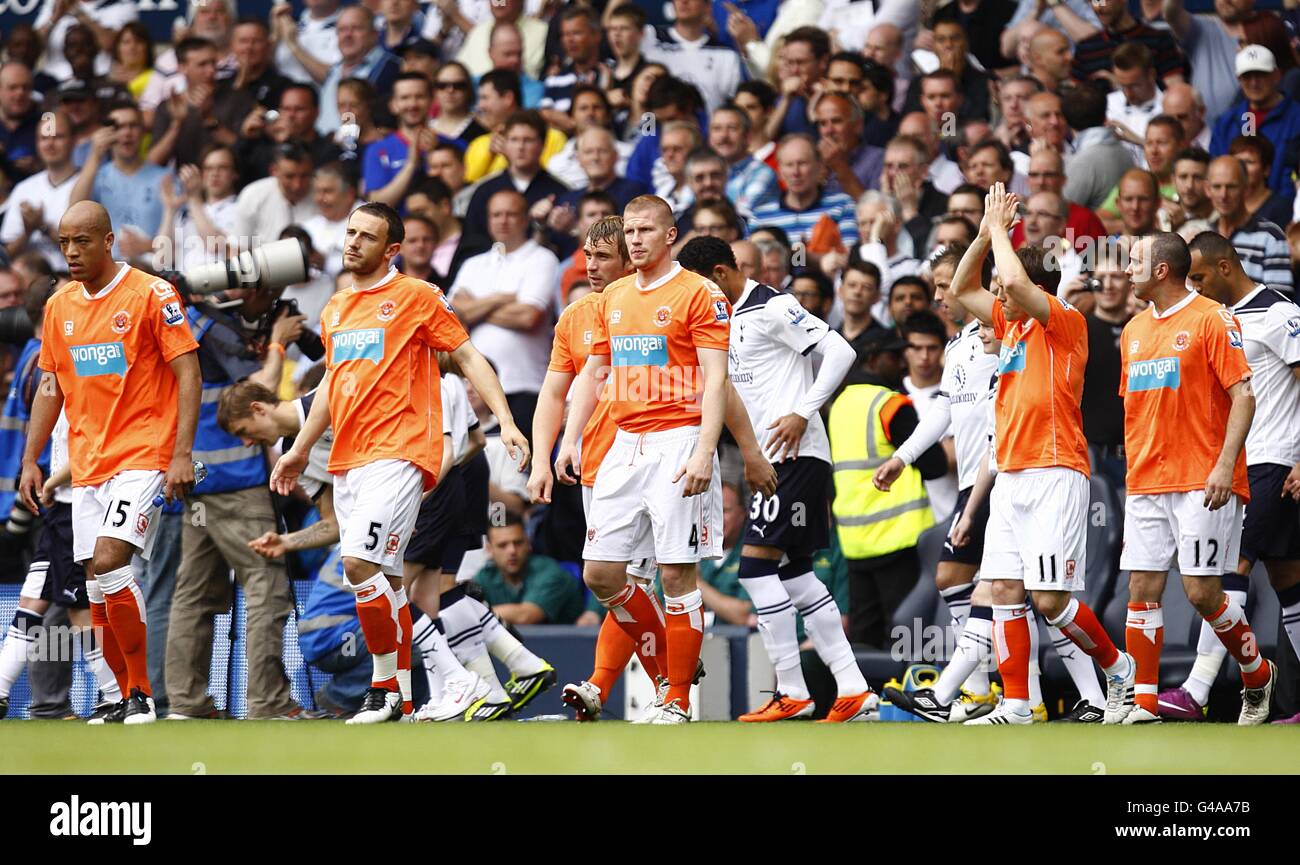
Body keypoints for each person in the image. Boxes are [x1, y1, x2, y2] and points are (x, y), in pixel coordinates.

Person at [270, 202, 528, 724]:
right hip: (350, 458)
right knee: (385, 581)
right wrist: (299, 449)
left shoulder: (417, 296)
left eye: (367, 236)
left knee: (358, 566)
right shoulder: (337, 308)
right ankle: (407, 695)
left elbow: (469, 356)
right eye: (350, 232)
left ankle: (413, 684)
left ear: (391, 250)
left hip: (403, 452)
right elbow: (330, 390)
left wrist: (507, 419)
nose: (353, 242)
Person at [948, 182, 1136, 725]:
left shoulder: (1064, 322)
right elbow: (964, 285)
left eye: (1007, 292)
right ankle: (1016, 705)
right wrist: (985, 234)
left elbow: (1009, 279)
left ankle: (1118, 668)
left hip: (1056, 470)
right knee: (1005, 589)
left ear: (1033, 287)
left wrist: (1004, 234)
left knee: (1050, 600)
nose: (997, 300)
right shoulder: (1010, 324)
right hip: (1010, 472)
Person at [679, 236, 880, 723]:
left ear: (723, 275)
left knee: (753, 569)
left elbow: (840, 352)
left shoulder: (773, 306)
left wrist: (802, 411)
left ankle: (793, 690)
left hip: (796, 453)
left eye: (701, 286)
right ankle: (853, 689)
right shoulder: (719, 322)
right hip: (770, 459)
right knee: (795, 573)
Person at [19, 201, 202, 725]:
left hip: (144, 453)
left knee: (108, 560)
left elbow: (188, 372)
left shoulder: (151, 293)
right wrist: (31, 459)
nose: (71, 252)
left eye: (82, 241)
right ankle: (123, 694)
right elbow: (51, 387)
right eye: (63, 243)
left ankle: (141, 693)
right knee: (97, 584)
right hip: (87, 462)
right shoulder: (59, 307)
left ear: (108, 241)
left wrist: (182, 454)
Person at [555, 195, 732, 725]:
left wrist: (705, 448)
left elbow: (717, 378)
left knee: (678, 575)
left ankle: (676, 698)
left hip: (679, 440)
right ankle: (671, 664)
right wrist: (571, 439)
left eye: (645, 231)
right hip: (623, 443)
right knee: (602, 573)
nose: (635, 240)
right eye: (629, 231)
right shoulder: (614, 297)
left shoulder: (700, 293)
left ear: (670, 235)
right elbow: (593, 373)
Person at [1112, 231, 1276, 725]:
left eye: (1135, 261)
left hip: (1202, 478)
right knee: (1141, 586)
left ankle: (1255, 672)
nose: (1126, 270)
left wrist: (1225, 465)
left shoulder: (1211, 318)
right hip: (1145, 480)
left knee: (1202, 592)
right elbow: (1136, 406)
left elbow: (1244, 396)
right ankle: (1142, 702)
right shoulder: (1132, 330)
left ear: (1162, 269)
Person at [1159, 232, 1300, 723]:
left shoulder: (1279, 314)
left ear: (1224, 267)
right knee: (1289, 581)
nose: (1191, 285)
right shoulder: (1211, 320)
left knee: (1227, 571)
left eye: (1196, 276)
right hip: (1234, 460)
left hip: (1272, 459)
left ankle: (1196, 691)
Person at [828, 328, 946, 649]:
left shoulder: (838, 405)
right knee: (909, 638)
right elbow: (934, 464)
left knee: (866, 638)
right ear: (873, 359)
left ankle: (868, 699)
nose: (902, 365)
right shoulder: (890, 404)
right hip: (899, 538)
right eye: (895, 357)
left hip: (855, 542)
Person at [448, 189, 557, 441]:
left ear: (525, 218)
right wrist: (499, 298)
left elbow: (527, 316)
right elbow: (453, 315)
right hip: (475, 388)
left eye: (511, 214)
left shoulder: (542, 258)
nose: (503, 220)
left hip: (525, 384)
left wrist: (474, 307)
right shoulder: (473, 264)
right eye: (496, 214)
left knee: (515, 470)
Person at [66, 102, 169, 263]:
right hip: (109, 274)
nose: (126, 133)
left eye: (133, 126)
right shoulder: (96, 176)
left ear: (143, 131)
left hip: (153, 272)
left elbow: (185, 237)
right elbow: (74, 210)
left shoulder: (165, 178)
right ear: (107, 133)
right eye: (119, 127)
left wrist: (148, 245)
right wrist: (94, 155)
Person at [1210, 45, 1300, 197]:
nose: (1254, 82)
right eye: (1247, 76)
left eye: (1261, 75)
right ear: (1239, 79)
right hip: (1234, 209)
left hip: (1284, 212)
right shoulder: (1226, 122)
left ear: (1276, 75)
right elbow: (1215, 170)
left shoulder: (1296, 118)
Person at [472, 514, 584, 624]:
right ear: (489, 550)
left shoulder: (549, 572)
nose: (512, 551)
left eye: (518, 543)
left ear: (528, 543)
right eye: (503, 545)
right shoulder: (485, 576)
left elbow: (526, 616)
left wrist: (476, 614)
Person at [1205, 155, 1292, 296]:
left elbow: (1279, 303)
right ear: (1207, 189)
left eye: (1231, 187)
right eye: (1217, 187)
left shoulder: (1270, 236)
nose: (1223, 194)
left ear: (1246, 189)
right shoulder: (1202, 233)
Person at [1, 110, 78, 268]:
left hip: (73, 281)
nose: (50, 144)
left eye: (58, 137)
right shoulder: (24, 188)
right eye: (44, 138)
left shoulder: (88, 183)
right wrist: (28, 231)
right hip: (30, 286)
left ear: (74, 140)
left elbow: (86, 250)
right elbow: (6, 255)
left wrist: (43, 227)